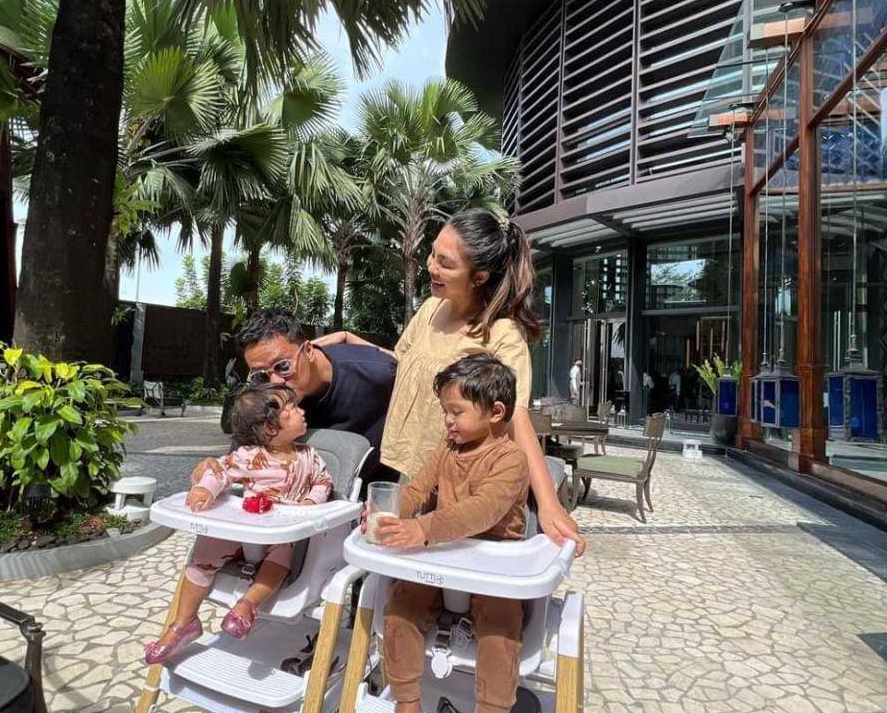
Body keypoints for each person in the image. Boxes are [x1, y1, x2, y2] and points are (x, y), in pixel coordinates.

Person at [320, 208, 585, 555]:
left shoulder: (502, 335)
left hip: (455, 486)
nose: (431, 266)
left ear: (479, 276)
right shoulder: (431, 309)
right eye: (432, 254)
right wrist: (348, 340)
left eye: (445, 263)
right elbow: (401, 364)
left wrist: (549, 504)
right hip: (405, 472)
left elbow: (517, 418)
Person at [370, 354, 529, 713]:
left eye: (456, 411)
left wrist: (423, 529)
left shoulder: (510, 459)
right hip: (446, 558)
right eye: (445, 411)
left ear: (495, 412)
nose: (447, 420)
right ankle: (406, 704)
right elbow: (417, 490)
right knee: (400, 607)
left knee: (500, 632)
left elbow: (483, 510)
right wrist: (389, 513)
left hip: (494, 564)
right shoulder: (447, 449)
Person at [144, 386, 332, 665]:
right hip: (247, 527)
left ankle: (247, 605)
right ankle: (183, 624)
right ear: (270, 427)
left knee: (281, 558)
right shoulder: (249, 456)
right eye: (292, 409)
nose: (301, 411)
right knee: (205, 551)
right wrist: (205, 489)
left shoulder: (309, 455)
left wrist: (309, 504)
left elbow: (323, 482)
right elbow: (220, 471)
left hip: (281, 532)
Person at [212, 308, 397, 483]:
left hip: (373, 488)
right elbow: (239, 456)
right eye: (260, 374)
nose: (275, 382)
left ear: (308, 351)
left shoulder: (378, 374)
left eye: (283, 366)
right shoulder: (263, 389)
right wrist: (213, 474)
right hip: (294, 493)